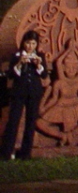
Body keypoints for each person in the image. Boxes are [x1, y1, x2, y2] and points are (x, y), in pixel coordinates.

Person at [1, 30, 45, 160]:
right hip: (19, 93)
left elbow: (44, 75)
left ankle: (26, 153)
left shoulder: (39, 55)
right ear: (23, 43)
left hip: (34, 93)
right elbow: (11, 75)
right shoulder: (16, 55)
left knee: (31, 122)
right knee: (13, 121)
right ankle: (6, 152)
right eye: (28, 43)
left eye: (33, 43)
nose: (30, 46)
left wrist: (39, 65)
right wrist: (20, 63)